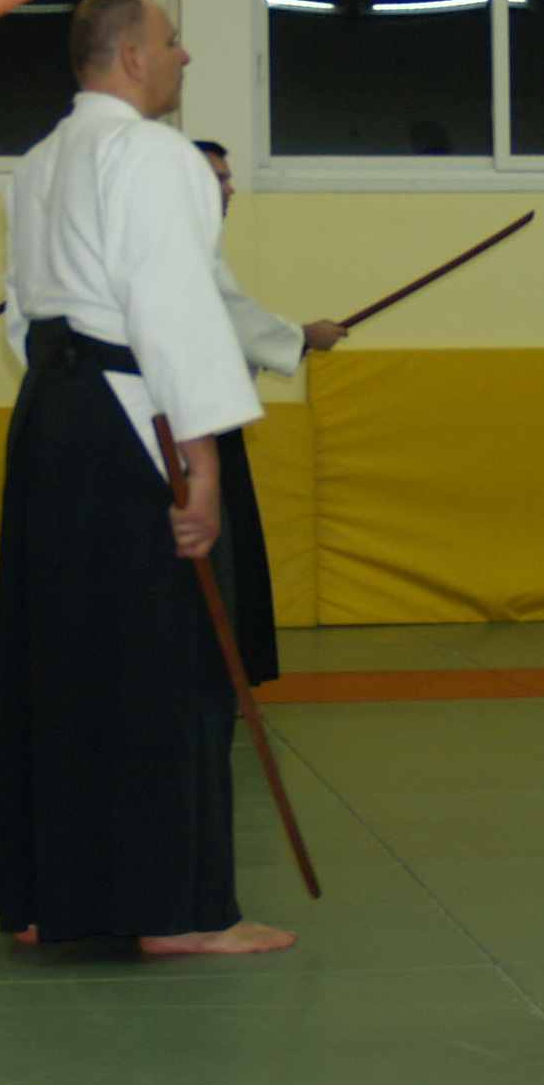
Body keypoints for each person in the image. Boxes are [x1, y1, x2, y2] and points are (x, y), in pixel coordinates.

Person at [0, 0, 293, 959]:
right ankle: (177, 911)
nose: (184, 56)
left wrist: (69, 410)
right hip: (128, 419)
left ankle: (41, 894)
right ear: (127, 57)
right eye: (171, 41)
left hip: (52, 419)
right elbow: (171, 305)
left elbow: (24, 312)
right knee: (170, 662)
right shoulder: (149, 156)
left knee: (58, 662)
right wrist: (196, 461)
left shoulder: (36, 164)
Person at [189, 138, 344, 684]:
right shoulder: (182, 245)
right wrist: (302, 336)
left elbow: (227, 333)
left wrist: (295, 339)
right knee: (214, 559)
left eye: (229, 178)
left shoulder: (200, 244)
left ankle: (219, 671)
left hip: (206, 422)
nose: (231, 188)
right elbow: (232, 321)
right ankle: (208, 674)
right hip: (188, 433)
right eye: (218, 178)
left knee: (228, 558)